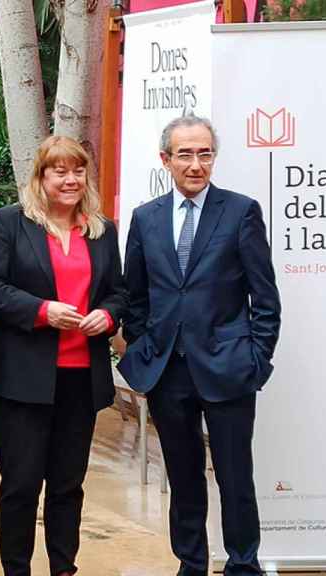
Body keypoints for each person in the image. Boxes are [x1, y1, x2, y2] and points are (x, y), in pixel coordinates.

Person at [118, 115, 281, 575]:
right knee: (183, 476)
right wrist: (142, 349)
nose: (196, 164)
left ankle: (243, 565)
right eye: (185, 154)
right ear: (165, 159)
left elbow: (264, 298)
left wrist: (256, 359)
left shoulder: (240, 211)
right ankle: (191, 563)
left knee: (235, 477)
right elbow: (136, 295)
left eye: (204, 153)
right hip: (169, 369)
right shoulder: (146, 218)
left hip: (228, 368)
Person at [0, 135, 126, 576]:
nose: (70, 179)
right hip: (23, 376)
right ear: (40, 177)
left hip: (81, 376)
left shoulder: (102, 230)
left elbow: (119, 293)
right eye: (59, 170)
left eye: (77, 170)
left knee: (67, 484)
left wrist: (107, 316)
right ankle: (16, 569)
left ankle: (64, 567)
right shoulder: (10, 223)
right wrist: (41, 310)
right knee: (20, 484)